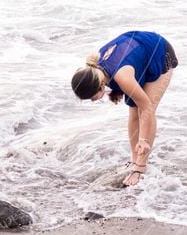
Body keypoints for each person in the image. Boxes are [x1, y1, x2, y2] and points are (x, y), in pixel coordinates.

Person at [71, 31, 178, 187]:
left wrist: (143, 140)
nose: (94, 101)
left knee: (145, 110)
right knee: (133, 110)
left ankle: (140, 168)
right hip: (141, 54)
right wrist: (116, 90)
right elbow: (125, 63)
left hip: (160, 53)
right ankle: (134, 160)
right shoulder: (96, 69)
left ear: (101, 85)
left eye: (93, 98)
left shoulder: (123, 78)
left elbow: (147, 108)